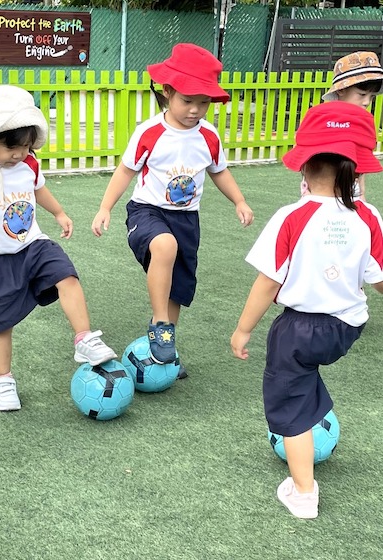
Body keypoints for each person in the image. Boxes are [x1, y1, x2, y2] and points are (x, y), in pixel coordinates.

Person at [230, 101, 383, 519]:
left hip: (299, 331)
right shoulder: (368, 217)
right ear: (358, 169)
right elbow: (379, 277)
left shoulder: (290, 218)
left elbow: (267, 283)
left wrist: (243, 330)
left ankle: (303, 492)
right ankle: (314, 407)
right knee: (305, 374)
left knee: (290, 403)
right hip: (348, 327)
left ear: (304, 167)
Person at [0, 85, 117, 412]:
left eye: (25, 145)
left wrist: (59, 212)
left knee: (67, 275)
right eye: (10, 148)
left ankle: (84, 339)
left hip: (33, 245)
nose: (19, 154)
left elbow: (39, 189)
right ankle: (3, 381)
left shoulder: (29, 164)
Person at [91, 43, 254, 378]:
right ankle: (160, 324)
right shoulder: (150, 132)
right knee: (165, 246)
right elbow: (126, 170)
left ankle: (164, 346)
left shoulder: (209, 136)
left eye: (203, 102)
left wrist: (239, 200)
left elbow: (219, 171)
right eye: (187, 100)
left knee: (177, 288)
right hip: (147, 212)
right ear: (167, 92)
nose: (195, 110)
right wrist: (105, 207)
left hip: (186, 219)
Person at [316, 51, 383, 201]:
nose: (366, 102)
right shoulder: (324, 120)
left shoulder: (364, 122)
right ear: (341, 89)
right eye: (361, 94)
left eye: (371, 97)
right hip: (320, 191)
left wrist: (362, 197)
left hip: (353, 192)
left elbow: (363, 161)